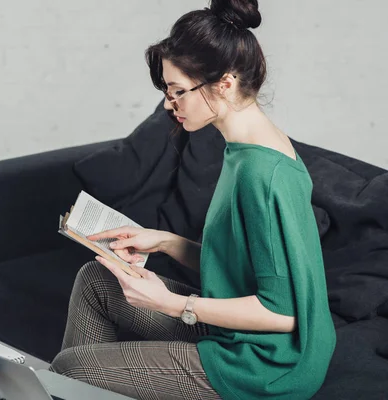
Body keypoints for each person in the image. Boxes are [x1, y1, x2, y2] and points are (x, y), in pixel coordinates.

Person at [49, 0, 336, 399]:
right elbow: (243, 265)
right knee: (97, 280)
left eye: (179, 91)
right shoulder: (245, 149)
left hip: (266, 364)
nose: (169, 104)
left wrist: (171, 303)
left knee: (67, 370)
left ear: (225, 83)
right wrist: (165, 241)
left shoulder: (262, 174)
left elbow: (282, 312)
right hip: (237, 330)